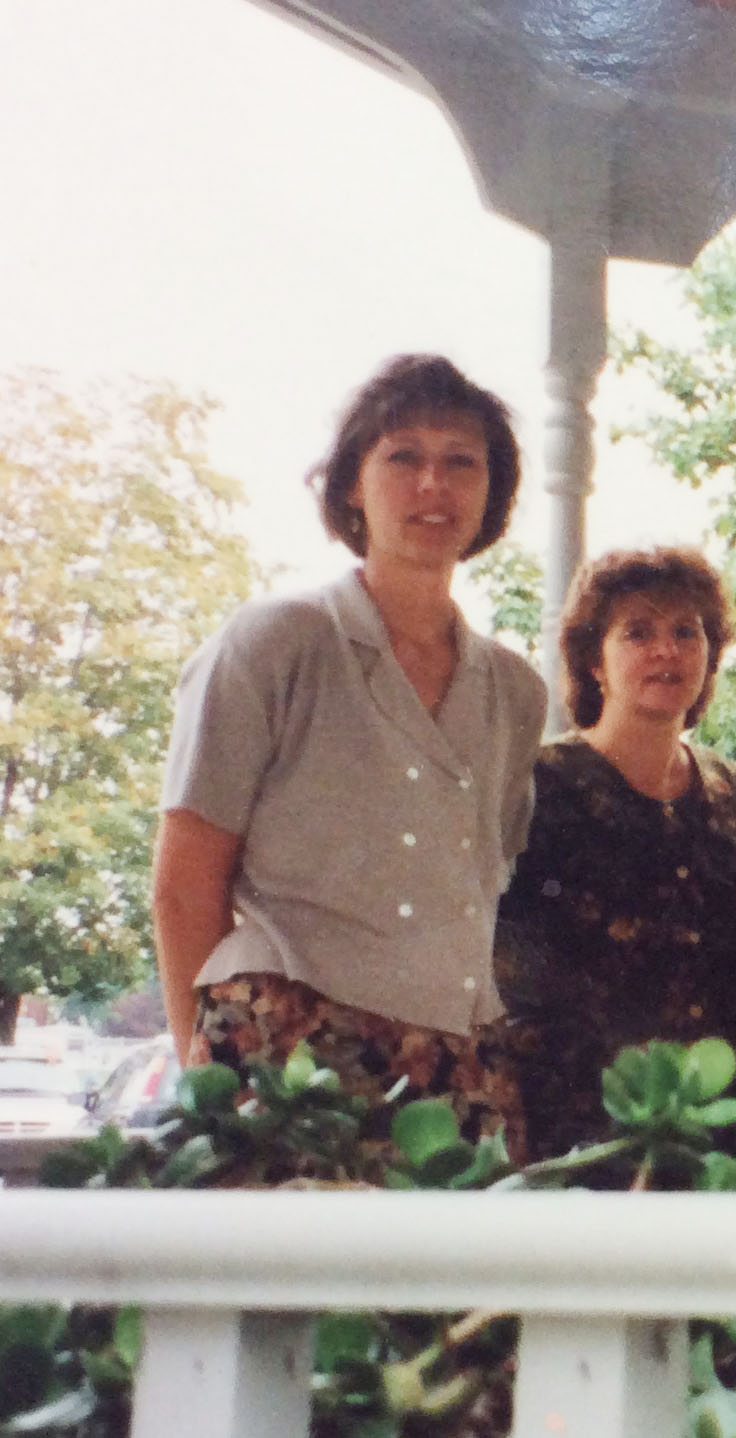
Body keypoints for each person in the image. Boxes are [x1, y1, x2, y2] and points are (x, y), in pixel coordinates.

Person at [152, 354, 544, 1148]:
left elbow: (482, 880)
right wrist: (212, 1083)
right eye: (404, 456)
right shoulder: (274, 642)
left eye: (461, 462)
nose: (433, 484)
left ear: (491, 492)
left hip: (458, 1060)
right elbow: (185, 883)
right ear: (352, 485)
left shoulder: (516, 689)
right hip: (284, 1048)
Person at [491, 548, 736, 1162]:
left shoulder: (731, 792)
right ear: (594, 661)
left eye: (685, 633)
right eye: (639, 633)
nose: (666, 651)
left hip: (705, 1130)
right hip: (564, 1133)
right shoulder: (535, 783)